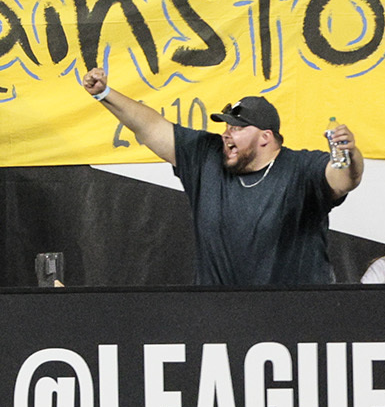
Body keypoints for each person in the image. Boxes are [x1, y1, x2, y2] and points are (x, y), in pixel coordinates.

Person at [79, 81, 360, 286]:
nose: (227, 134)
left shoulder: (301, 169)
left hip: (293, 320)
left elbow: (344, 179)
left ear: (265, 137)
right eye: (226, 127)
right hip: (219, 320)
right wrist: (104, 93)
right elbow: (151, 127)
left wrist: (350, 155)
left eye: (237, 128)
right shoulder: (207, 156)